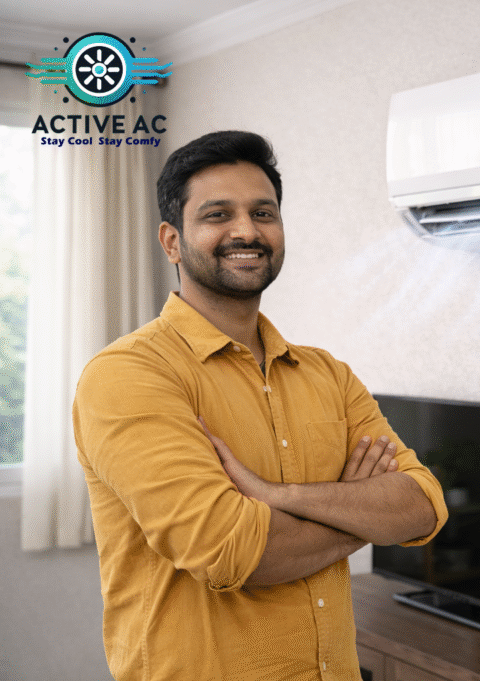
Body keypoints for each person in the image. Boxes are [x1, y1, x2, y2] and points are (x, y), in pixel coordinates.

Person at [73, 130, 448, 681]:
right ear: (172, 241)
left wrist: (280, 498)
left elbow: (423, 505)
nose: (246, 231)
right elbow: (231, 551)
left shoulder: (328, 374)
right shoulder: (129, 375)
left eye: (263, 213)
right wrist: (357, 507)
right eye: (218, 214)